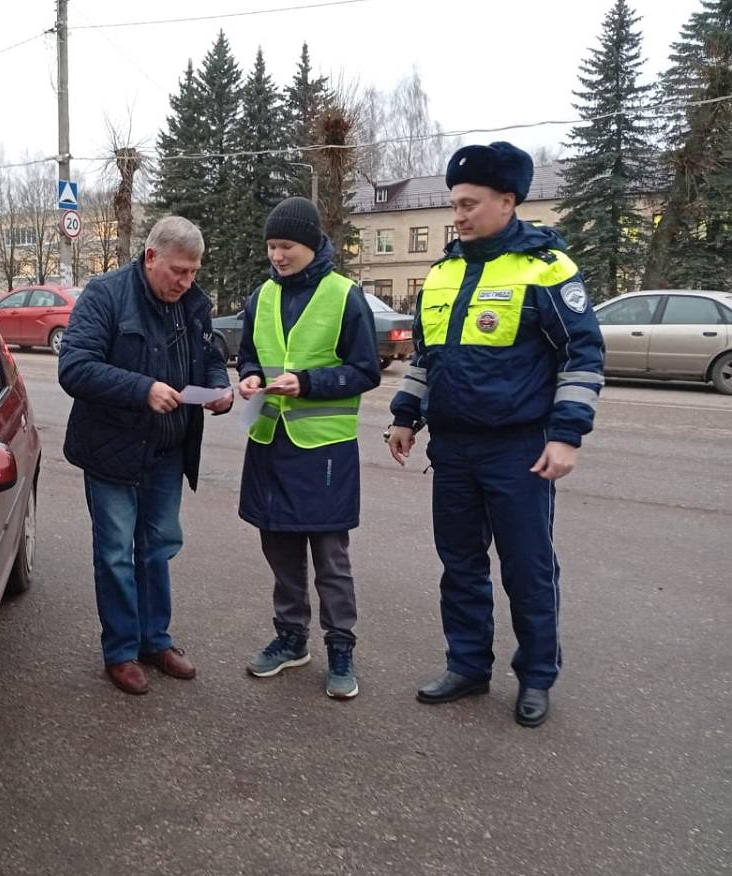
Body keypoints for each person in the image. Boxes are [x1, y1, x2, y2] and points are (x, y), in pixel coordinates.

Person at [386, 141, 605, 728]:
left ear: (508, 202)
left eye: (469, 204)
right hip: (453, 449)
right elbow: (427, 359)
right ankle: (467, 666)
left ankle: (536, 676)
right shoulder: (442, 273)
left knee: (527, 567)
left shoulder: (546, 268)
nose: (457, 215)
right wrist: (406, 416)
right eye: (454, 204)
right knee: (459, 564)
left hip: (520, 449)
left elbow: (581, 357)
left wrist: (567, 436)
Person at [59, 216, 232, 695]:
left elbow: (212, 355)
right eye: (178, 271)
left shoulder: (192, 304)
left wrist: (219, 387)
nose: (186, 282)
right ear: (151, 257)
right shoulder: (106, 295)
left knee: (157, 547)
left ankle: (156, 639)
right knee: (116, 553)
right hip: (112, 450)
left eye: (194, 272)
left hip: (167, 451)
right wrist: (143, 389)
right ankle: (120, 651)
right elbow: (75, 368)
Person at [238, 197, 381, 699]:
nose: (277, 255)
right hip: (269, 444)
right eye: (272, 246)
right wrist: (250, 376)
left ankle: (340, 649)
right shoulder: (261, 296)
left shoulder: (344, 295)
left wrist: (308, 382)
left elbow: (366, 370)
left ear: (313, 243)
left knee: (330, 560)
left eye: (287, 246)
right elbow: (249, 355)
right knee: (279, 550)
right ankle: (291, 639)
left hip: (323, 451)